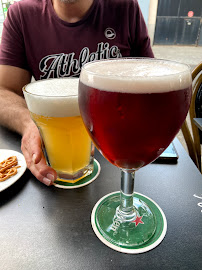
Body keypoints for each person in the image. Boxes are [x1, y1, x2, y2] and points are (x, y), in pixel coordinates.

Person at [0, 0, 154, 186]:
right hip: (54, 154)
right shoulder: (22, 13)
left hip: (121, 151)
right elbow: (3, 92)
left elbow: (150, 84)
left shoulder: (125, 6)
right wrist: (30, 124)